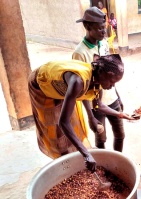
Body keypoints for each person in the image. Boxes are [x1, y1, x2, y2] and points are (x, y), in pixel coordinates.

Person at [28, 55, 134, 172]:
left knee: (74, 124)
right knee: (54, 128)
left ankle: (74, 153)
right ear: (102, 73)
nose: (112, 86)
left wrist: (120, 115)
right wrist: (86, 154)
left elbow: (98, 105)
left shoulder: (97, 79)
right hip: (42, 83)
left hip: (63, 86)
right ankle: (62, 159)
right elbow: (63, 122)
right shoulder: (78, 82)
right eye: (112, 81)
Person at [73, 7, 126, 152]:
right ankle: (104, 166)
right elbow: (81, 90)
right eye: (99, 29)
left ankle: (117, 162)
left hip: (112, 99)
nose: (104, 32)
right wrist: (90, 116)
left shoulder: (103, 44)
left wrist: (118, 96)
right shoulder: (80, 53)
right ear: (87, 27)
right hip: (95, 104)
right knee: (101, 139)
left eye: (105, 28)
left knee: (120, 135)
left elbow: (112, 73)